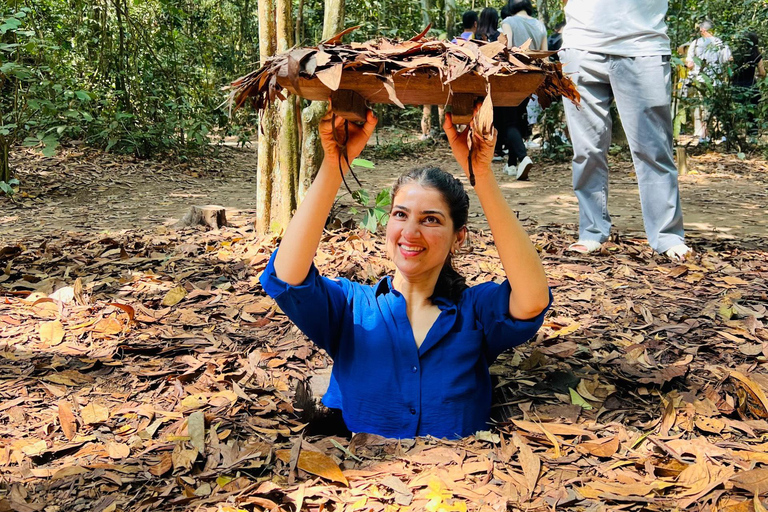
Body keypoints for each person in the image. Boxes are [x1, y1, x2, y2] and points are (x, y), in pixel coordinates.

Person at [260, 105, 551, 439]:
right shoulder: (351, 307)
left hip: (464, 483)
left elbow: (531, 299)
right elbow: (287, 275)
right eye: (401, 215)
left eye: (430, 219)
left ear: (459, 237)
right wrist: (333, 166)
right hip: (359, 485)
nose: (410, 232)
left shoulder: (474, 311)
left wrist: (482, 177)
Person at [560, 0, 691, 261]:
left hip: (644, 43)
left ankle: (667, 235)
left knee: (653, 150)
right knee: (587, 150)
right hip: (581, 45)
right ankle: (592, 231)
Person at [497, 0, 547, 180]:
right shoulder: (540, 25)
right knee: (517, 119)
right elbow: (544, 54)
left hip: (511, 77)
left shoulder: (508, 22)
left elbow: (506, 48)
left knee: (508, 122)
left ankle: (523, 157)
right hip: (530, 78)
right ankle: (511, 165)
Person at [685, 19, 732, 141]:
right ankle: (721, 134)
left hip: (701, 80)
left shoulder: (695, 43)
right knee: (717, 107)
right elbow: (728, 60)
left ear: (702, 30)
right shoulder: (719, 43)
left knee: (703, 106)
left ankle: (705, 135)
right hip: (716, 79)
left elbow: (689, 63)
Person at [731, 31, 765, 137]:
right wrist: (757, 76)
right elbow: (762, 72)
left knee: (734, 113)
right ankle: (752, 135)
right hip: (750, 86)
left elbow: (729, 69)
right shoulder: (756, 55)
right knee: (752, 113)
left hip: (735, 86)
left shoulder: (735, 53)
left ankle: (733, 135)